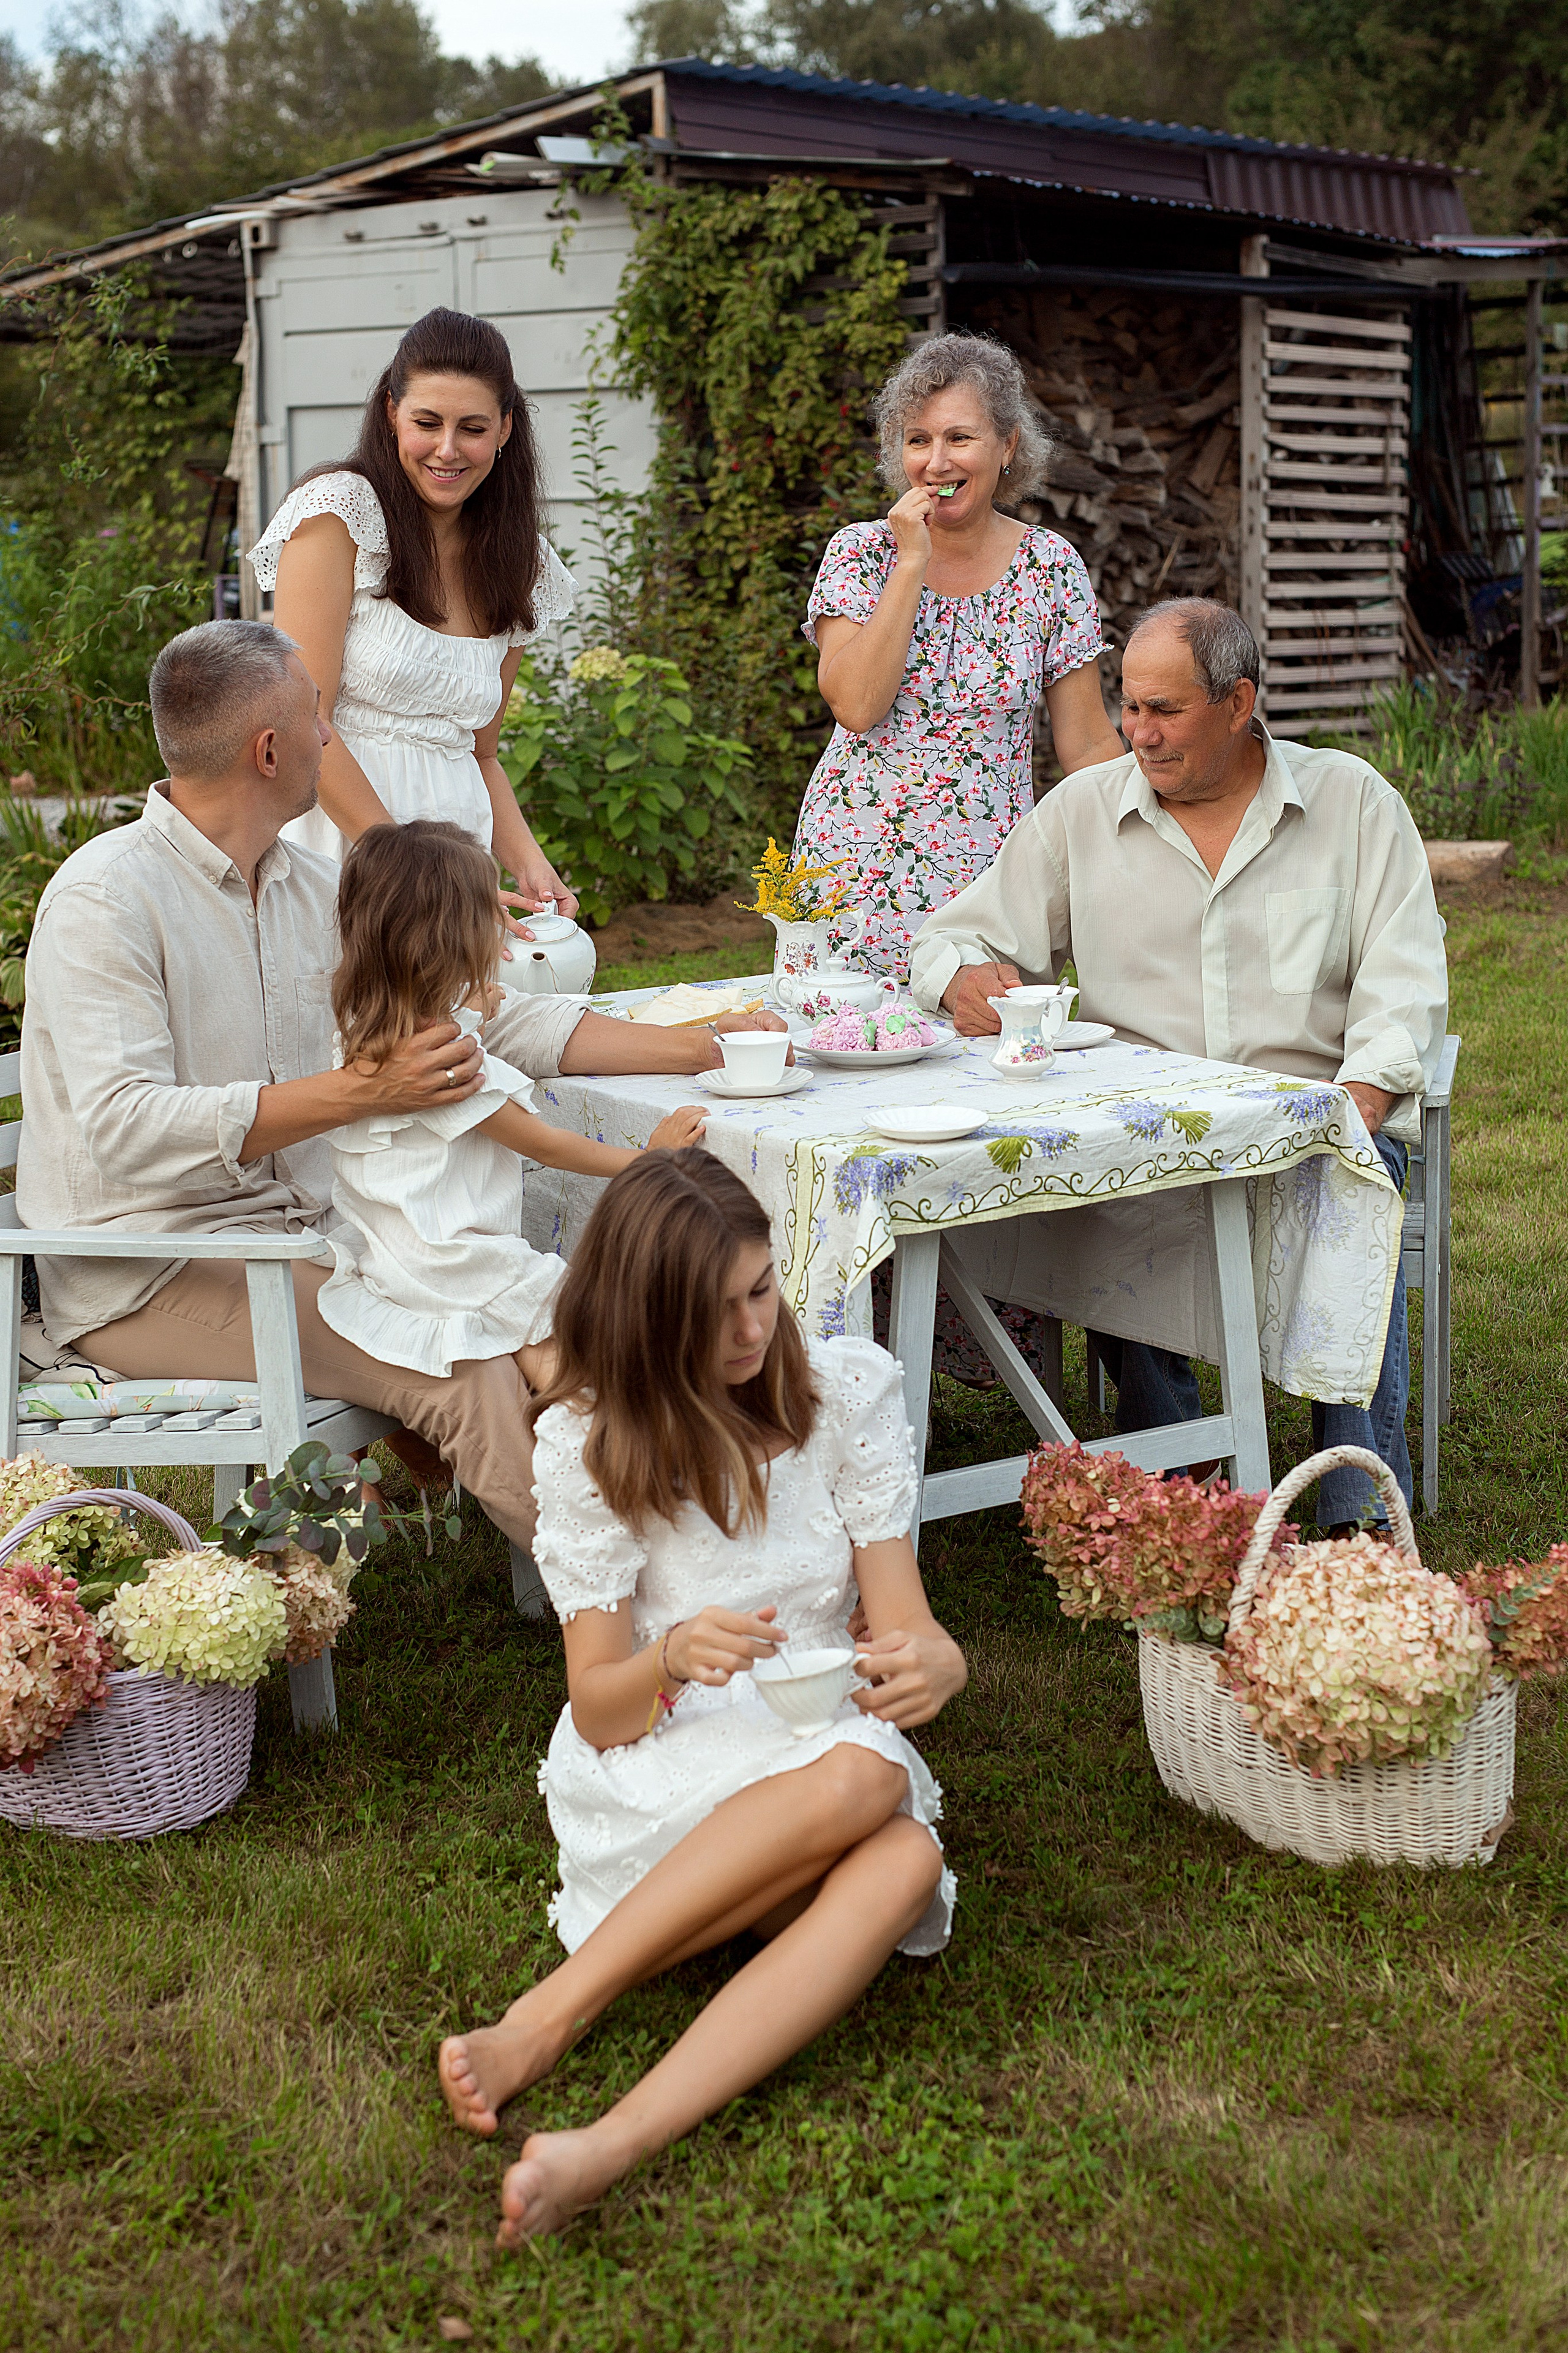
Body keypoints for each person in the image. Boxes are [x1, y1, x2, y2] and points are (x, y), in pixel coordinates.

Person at [17, 621, 787, 1561]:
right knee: (463, 1367)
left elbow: (474, 1023)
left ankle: (694, 1539)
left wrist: (697, 1046)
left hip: (317, 1235)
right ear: (269, 750)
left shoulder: (313, 884)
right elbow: (120, 1131)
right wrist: (358, 1092)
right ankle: (640, 1619)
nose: (330, 737)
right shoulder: (106, 900)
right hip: (148, 1268)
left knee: (550, 1321)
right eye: (317, 718)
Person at [436, 1149, 967, 2244]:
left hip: (818, 1731)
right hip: (669, 1746)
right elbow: (599, 1707)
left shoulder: (846, 1395)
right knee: (880, 1800)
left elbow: (904, 1621)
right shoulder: (590, 1444)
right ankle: (546, 2021)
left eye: (761, 1289)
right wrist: (670, 1655)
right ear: (644, 1320)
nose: (750, 1330)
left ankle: (606, 2142)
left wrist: (939, 1663)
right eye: (713, 1311)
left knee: (903, 1846)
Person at [908, 597, 1448, 1533]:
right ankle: (1193, 1495)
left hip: (1308, 1119)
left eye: (1165, 710)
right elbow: (950, 937)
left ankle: (1354, 1517)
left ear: (1238, 703)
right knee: (1109, 1196)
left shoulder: (1354, 803)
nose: (1136, 731)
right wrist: (959, 975)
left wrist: (1359, 1099)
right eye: (1129, 704)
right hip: (1145, 1131)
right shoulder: (1084, 811)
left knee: (1352, 1191)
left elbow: (1404, 987)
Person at [318, 819, 706, 1380]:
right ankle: (580, 1447)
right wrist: (652, 1159)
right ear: (462, 944)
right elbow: (548, 1145)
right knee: (576, 1338)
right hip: (462, 1267)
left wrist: (468, 1006)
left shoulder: (364, 1033)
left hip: (392, 1259)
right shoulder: (451, 1065)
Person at [794, 332, 1124, 980]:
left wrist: (1154, 837)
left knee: (991, 1058)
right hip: (855, 870)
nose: (936, 463)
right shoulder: (861, 555)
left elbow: (1086, 746)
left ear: (1007, 446)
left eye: (959, 438)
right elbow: (857, 705)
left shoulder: (1049, 567)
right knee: (848, 1059)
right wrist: (911, 562)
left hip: (992, 881)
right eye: (917, 440)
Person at [247, 305, 576, 928]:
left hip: (453, 855)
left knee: (457, 1025)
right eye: (427, 422)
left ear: (506, 429)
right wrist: (407, 869)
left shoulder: (519, 560)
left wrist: (529, 863)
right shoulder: (338, 515)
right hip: (340, 843)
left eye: (472, 428)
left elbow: (480, 752)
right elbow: (301, 718)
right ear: (391, 412)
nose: (447, 450)